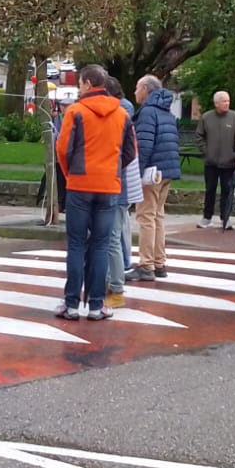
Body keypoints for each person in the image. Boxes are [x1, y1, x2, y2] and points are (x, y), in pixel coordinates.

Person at [53, 64, 135, 321]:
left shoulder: (76, 111)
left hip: (80, 183)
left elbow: (63, 149)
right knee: (101, 245)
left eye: (79, 83)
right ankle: (97, 304)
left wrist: (71, 174)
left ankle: (72, 303)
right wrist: (111, 169)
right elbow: (130, 152)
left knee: (76, 244)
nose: (78, 88)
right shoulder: (121, 114)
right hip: (108, 185)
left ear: (88, 83)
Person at [130, 75, 182, 281]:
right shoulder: (166, 112)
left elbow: (143, 145)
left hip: (151, 172)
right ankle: (159, 262)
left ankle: (146, 264)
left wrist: (136, 173)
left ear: (145, 89)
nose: (135, 92)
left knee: (145, 217)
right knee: (158, 216)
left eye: (136, 88)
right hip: (167, 170)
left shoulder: (147, 113)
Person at [102, 76, 142, 309]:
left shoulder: (120, 114)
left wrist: (112, 167)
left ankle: (115, 286)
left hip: (118, 184)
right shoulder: (124, 113)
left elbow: (128, 151)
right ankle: (112, 282)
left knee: (112, 237)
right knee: (112, 236)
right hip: (121, 183)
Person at [196, 89, 235, 229]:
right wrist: (206, 152)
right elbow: (199, 136)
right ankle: (207, 217)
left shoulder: (234, 117)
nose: (227, 103)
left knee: (227, 191)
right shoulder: (206, 117)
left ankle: (226, 218)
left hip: (229, 162)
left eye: (228, 101)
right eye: (224, 101)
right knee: (210, 189)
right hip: (211, 162)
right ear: (216, 103)